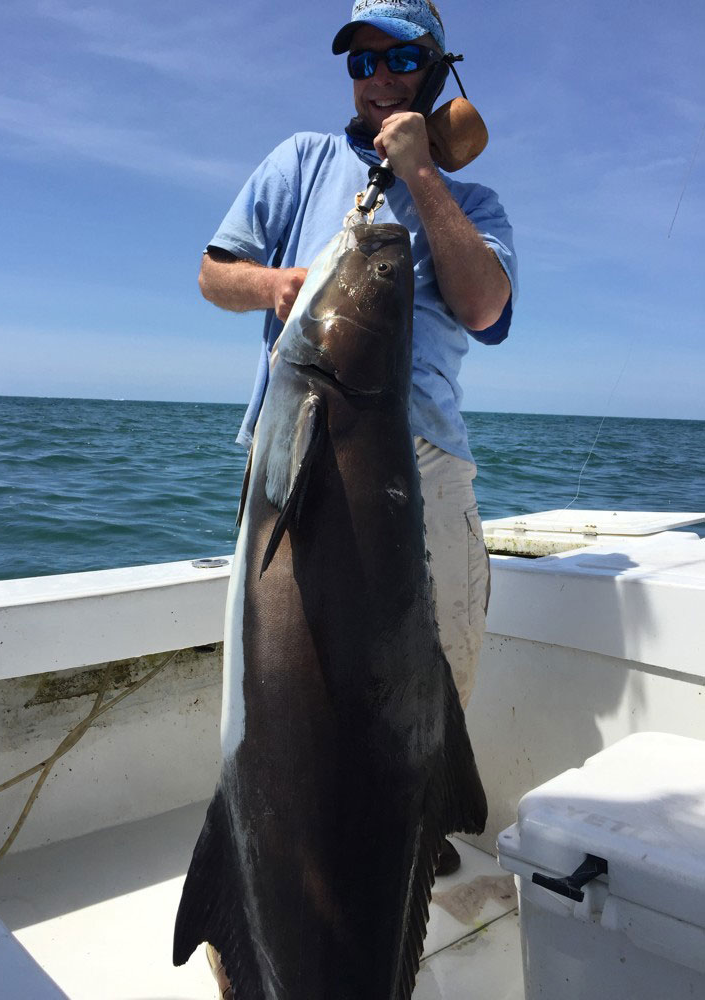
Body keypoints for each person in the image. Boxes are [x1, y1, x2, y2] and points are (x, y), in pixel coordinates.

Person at [200, 0, 515, 939]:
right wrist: (275, 286)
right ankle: (285, 875)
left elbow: (487, 308)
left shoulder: (473, 203)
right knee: (282, 694)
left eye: (402, 55)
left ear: (435, 67)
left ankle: (402, 855)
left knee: (425, 688)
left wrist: (419, 170)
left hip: (421, 463)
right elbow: (217, 271)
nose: (377, 73)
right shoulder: (299, 161)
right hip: (294, 451)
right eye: (360, 58)